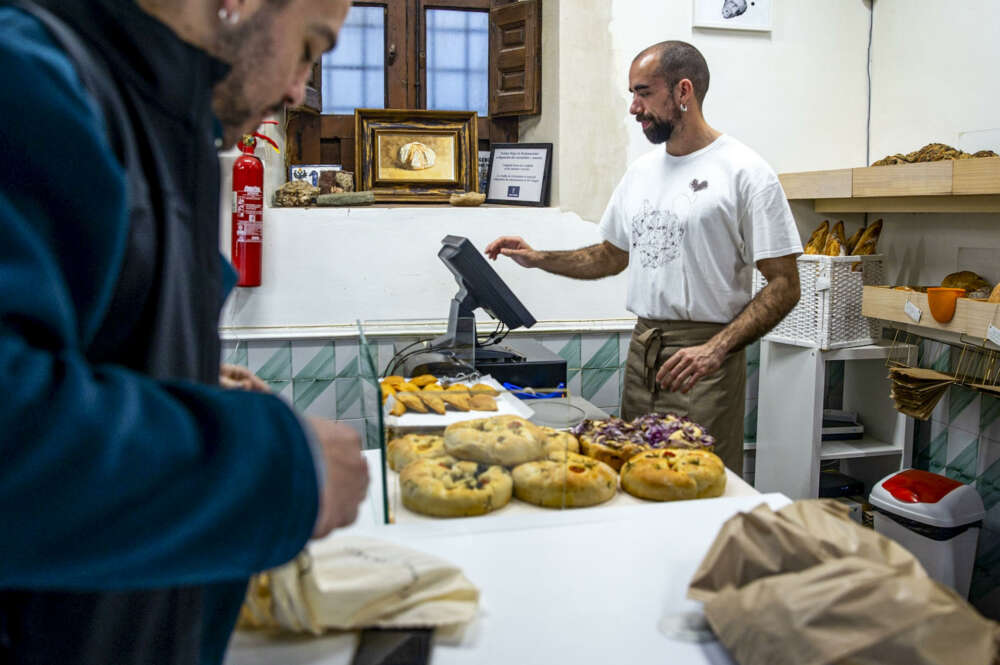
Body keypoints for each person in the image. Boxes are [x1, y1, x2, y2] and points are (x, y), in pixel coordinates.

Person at [0, 1, 366, 663]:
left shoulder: (158, 115)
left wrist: (188, 380)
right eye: (309, 48)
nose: (297, 89)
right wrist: (285, 468)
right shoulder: (25, 76)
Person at [485, 41, 801, 474]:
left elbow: (785, 284)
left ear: (683, 91)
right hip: (643, 354)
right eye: (632, 95)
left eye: (644, 92)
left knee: (695, 483)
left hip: (703, 364)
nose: (634, 107)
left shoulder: (746, 173)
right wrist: (540, 258)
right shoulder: (641, 173)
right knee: (635, 474)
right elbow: (610, 256)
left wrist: (714, 350)